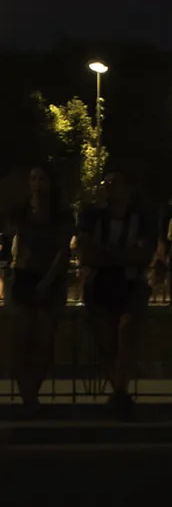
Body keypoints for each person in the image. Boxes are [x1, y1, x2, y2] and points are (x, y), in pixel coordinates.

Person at [78, 168, 156, 420]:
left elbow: (144, 255)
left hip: (126, 283)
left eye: (115, 183)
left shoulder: (140, 217)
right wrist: (125, 254)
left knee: (125, 333)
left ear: (128, 189)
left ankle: (119, 394)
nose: (109, 188)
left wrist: (105, 253)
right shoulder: (92, 215)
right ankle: (121, 394)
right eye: (107, 183)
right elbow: (86, 253)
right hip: (103, 284)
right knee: (108, 341)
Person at [5, 164, 73, 416]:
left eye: (42, 179)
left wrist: (48, 279)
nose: (37, 184)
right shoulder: (21, 211)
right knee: (21, 338)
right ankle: (28, 396)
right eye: (33, 178)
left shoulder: (61, 214)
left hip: (49, 278)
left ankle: (31, 394)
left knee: (43, 341)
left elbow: (62, 251)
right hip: (24, 276)